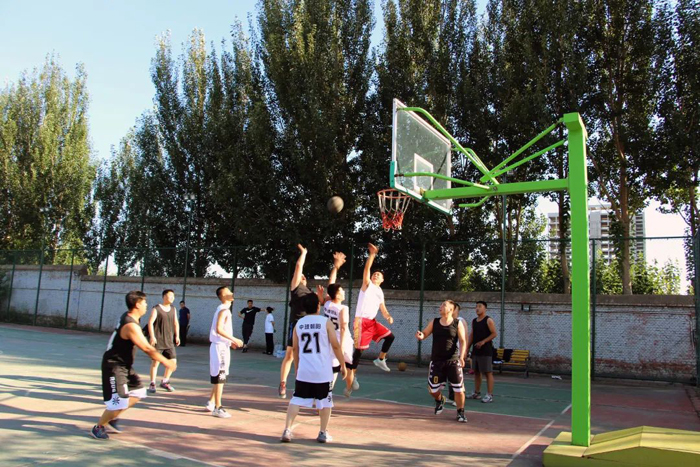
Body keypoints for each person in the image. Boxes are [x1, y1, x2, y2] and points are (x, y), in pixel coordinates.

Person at [91, 290, 177, 439]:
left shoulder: (130, 317)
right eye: (144, 303)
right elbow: (147, 348)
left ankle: (112, 417)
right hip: (114, 366)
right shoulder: (131, 325)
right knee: (118, 402)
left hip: (124, 366)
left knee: (138, 392)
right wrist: (166, 362)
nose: (146, 305)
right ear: (137, 304)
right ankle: (98, 427)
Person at [281, 288, 347, 443]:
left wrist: (297, 368)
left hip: (305, 370)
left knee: (296, 399)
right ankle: (323, 433)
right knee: (325, 402)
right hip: (323, 372)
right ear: (318, 306)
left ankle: (287, 430)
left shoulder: (299, 324)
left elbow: (295, 349)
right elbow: (335, 345)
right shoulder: (325, 322)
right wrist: (343, 364)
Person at [345, 243, 395, 396]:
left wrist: (388, 316)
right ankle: (352, 378)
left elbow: (383, 308)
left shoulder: (380, 292)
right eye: (374, 274)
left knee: (390, 337)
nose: (375, 275)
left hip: (372, 322)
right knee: (359, 351)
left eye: (378, 275)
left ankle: (381, 359)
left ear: (382, 280)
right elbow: (366, 270)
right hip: (361, 321)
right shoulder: (367, 285)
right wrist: (372, 255)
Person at [416, 300, 468, 423]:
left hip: (453, 361)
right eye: (441, 304)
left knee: (459, 390)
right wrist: (421, 335)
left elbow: (463, 341)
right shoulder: (434, 322)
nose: (440, 306)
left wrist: (462, 356)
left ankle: (460, 412)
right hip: (437, 361)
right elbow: (425, 333)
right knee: (433, 390)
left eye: (444, 305)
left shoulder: (457, 323)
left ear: (451, 309)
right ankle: (440, 400)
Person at [279, 244, 314, 398]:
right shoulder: (295, 288)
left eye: (304, 276)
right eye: (300, 276)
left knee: (304, 357)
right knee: (290, 355)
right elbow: (299, 266)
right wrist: (304, 253)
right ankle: (283, 383)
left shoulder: (311, 293)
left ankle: (300, 385)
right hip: (297, 325)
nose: (302, 276)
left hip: (310, 327)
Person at [206, 286, 244, 418]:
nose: (232, 293)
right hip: (219, 347)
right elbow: (219, 329)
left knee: (220, 375)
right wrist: (234, 339)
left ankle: (211, 402)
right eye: (228, 292)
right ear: (223, 296)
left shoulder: (223, 309)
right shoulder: (223, 310)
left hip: (222, 346)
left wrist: (229, 342)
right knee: (220, 377)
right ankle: (218, 408)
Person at [322, 252, 353, 391]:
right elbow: (344, 329)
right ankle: (350, 384)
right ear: (338, 295)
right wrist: (341, 347)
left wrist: (336, 267)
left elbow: (331, 283)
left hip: (330, 340)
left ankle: (326, 392)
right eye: (342, 291)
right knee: (349, 365)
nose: (344, 292)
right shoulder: (343, 309)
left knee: (332, 368)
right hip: (342, 341)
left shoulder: (327, 304)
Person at [146, 289, 180, 393]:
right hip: (158, 341)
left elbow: (176, 323)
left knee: (173, 362)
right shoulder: (156, 308)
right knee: (155, 363)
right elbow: (150, 323)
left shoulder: (173, 309)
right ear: (164, 296)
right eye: (170, 296)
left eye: (173, 296)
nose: (172, 298)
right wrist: (152, 337)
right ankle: (152, 383)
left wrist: (177, 336)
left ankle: (165, 381)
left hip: (169, 341)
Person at [466, 301, 497, 403]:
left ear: (485, 308)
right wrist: (467, 348)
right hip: (476, 350)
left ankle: (489, 395)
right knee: (476, 372)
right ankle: (477, 393)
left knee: (488, 372)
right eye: (476, 306)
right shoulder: (474, 321)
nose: (477, 308)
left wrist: (483, 341)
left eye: (480, 306)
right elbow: (472, 335)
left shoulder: (488, 320)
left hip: (486, 351)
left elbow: (494, 334)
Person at [447, 303, 467, 406]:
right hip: (449, 354)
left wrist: (464, 353)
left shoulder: (460, 320)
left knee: (457, 377)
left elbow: (465, 338)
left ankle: (459, 399)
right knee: (450, 377)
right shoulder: (448, 321)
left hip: (458, 353)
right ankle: (452, 397)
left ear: (457, 310)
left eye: (454, 308)